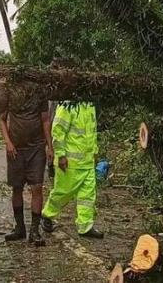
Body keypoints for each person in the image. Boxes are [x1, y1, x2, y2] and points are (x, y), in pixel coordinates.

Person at [41, 101, 104, 238]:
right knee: (63, 192)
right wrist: (61, 154)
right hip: (70, 162)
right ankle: (46, 215)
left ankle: (85, 226)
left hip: (87, 161)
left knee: (87, 196)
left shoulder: (90, 105)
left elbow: (92, 132)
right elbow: (58, 131)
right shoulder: (67, 106)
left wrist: (95, 151)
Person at [0, 96, 52, 246]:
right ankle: (19, 227)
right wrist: (8, 142)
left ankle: (34, 230)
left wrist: (50, 146)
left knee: (37, 187)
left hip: (36, 147)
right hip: (16, 149)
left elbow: (45, 120)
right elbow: (2, 120)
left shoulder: (39, 94)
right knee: (17, 188)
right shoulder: (10, 94)